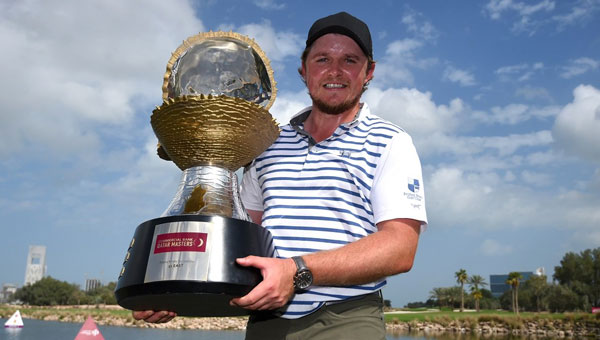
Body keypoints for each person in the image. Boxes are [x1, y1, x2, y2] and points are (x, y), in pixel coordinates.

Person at [134, 11, 427, 340]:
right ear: (304, 69)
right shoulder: (267, 143)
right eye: (322, 59)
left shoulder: (391, 142)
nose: (335, 71)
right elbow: (243, 238)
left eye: (349, 60)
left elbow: (400, 248)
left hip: (345, 318)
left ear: (368, 71)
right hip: (267, 320)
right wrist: (173, 285)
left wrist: (297, 270)